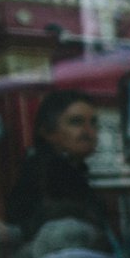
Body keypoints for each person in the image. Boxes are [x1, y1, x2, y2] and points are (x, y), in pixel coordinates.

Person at [10, 90, 111, 243]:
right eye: (76, 122)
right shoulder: (43, 175)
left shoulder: (74, 171)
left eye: (93, 123)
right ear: (48, 132)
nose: (89, 132)